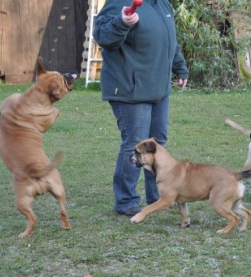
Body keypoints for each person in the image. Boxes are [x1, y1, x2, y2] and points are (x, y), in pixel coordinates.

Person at [93, 0, 189, 217]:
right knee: (134, 145)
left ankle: (158, 197)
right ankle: (126, 201)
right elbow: (103, 36)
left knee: (157, 144)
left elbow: (170, 42)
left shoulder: (163, 5)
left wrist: (180, 68)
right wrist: (121, 22)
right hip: (130, 89)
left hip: (159, 90)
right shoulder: (119, 3)